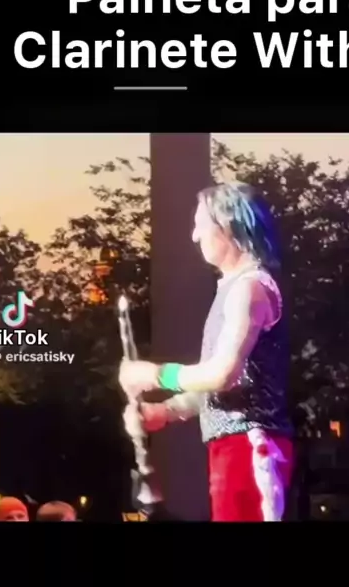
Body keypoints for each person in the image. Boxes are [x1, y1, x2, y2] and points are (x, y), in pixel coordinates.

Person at [120, 182, 294, 522]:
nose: (194, 236)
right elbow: (222, 387)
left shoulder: (250, 288)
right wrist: (164, 411)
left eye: (200, 224)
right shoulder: (234, 288)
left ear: (227, 225)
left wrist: (155, 375)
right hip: (235, 446)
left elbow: (222, 375)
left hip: (250, 446)